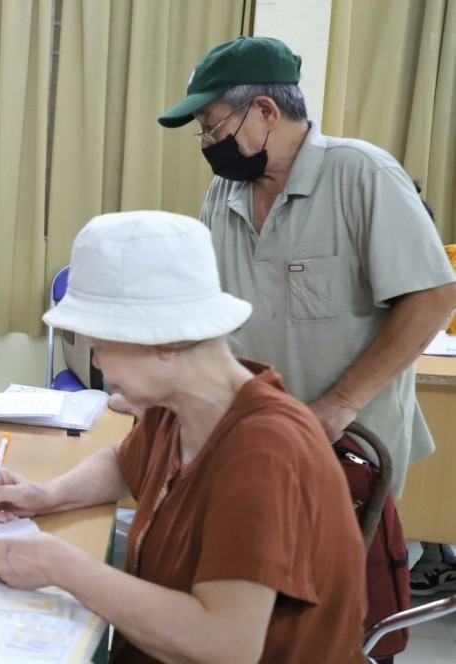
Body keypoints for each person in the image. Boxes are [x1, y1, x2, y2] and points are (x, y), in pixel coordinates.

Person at [0, 211, 367, 663]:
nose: (97, 364)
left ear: (164, 341)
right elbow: (122, 461)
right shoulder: (180, 402)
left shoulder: (264, 450)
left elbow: (225, 645)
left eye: (100, 347)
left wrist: (59, 564)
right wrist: (48, 495)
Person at [156, 36, 456, 606]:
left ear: (265, 111)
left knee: (329, 608)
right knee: (254, 601)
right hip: (255, 439)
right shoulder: (225, 191)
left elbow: (434, 295)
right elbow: (212, 303)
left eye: (212, 126)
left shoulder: (361, 174)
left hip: (345, 446)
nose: (207, 143)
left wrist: (341, 401)